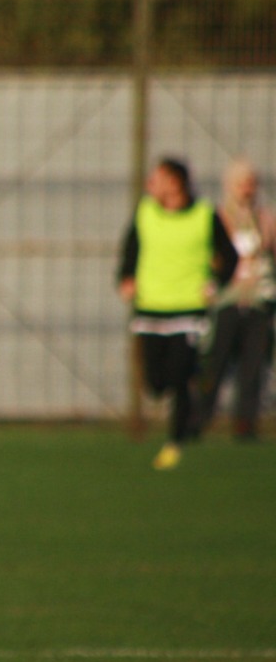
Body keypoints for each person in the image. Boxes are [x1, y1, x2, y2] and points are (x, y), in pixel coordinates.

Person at [116, 157, 237, 469]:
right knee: (156, 382)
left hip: (188, 310)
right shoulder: (145, 213)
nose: (151, 185)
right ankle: (192, 391)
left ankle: (176, 442)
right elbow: (131, 251)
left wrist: (216, 284)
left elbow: (230, 256)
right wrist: (126, 280)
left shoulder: (204, 214)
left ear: (175, 182)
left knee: (180, 376)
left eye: (157, 178)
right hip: (151, 307)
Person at [198, 158, 276, 440]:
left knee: (253, 365)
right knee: (215, 363)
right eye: (242, 183)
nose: (248, 189)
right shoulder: (218, 217)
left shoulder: (265, 219)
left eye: (252, 183)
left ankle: (246, 422)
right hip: (226, 301)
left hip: (259, 301)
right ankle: (201, 417)